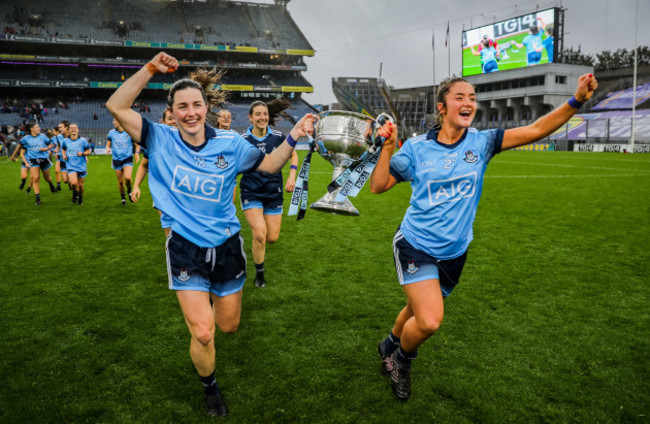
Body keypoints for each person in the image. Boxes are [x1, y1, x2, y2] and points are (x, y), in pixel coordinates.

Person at [106, 51, 316, 418]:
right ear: (172, 110)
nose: (191, 112)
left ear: (206, 106)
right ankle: (210, 387)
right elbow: (116, 105)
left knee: (228, 325)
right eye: (182, 106)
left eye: (197, 104)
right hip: (185, 247)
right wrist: (151, 69)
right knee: (203, 332)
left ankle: (211, 322)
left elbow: (267, 165)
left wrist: (294, 137)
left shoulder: (230, 144)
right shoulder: (159, 138)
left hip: (227, 245)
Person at [370, 73, 598, 401]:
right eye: (460, 97)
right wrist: (388, 149)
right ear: (442, 106)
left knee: (416, 308)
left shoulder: (483, 142)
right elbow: (378, 186)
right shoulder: (418, 150)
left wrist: (577, 100)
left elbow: (536, 129)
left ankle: (389, 344)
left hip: (455, 251)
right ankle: (401, 362)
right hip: (415, 244)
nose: (469, 103)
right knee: (430, 320)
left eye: (473, 98)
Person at [240, 99, 298, 288]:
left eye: (264, 114)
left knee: (271, 238)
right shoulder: (243, 140)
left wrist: (292, 175)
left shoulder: (278, 137)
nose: (262, 117)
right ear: (250, 117)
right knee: (259, 234)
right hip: (251, 191)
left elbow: (292, 153)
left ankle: (261, 242)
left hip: (274, 192)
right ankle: (259, 273)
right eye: (257, 114)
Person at [131, 109, 176, 237]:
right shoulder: (156, 143)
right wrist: (136, 186)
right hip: (163, 193)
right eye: (170, 119)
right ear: (163, 122)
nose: (174, 122)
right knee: (170, 233)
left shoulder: (190, 141)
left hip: (185, 192)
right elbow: (144, 165)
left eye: (176, 118)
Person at [17, 121, 56, 205]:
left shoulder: (43, 136)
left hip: (44, 159)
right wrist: (16, 155)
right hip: (33, 160)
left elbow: (51, 145)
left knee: (47, 177)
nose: (39, 128)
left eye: (38, 127)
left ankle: (50, 183)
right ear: (32, 129)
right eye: (37, 127)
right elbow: (21, 146)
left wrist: (45, 149)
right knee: (35, 178)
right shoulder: (26, 138)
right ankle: (38, 199)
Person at [107, 118, 140, 205]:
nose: (113, 122)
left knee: (128, 177)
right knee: (120, 182)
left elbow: (137, 144)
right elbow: (108, 144)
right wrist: (107, 148)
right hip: (116, 159)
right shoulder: (111, 132)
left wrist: (136, 153)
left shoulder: (129, 132)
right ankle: (123, 197)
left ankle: (129, 190)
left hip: (127, 158)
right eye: (113, 120)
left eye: (115, 120)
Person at [62, 123, 91, 205]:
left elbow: (88, 152)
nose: (73, 129)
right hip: (70, 165)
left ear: (78, 130)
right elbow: (63, 150)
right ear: (69, 130)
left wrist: (82, 153)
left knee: (81, 185)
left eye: (75, 128)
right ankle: (75, 193)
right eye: (71, 128)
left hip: (81, 165)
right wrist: (64, 155)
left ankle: (80, 198)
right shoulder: (65, 141)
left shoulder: (83, 141)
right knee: (74, 182)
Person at [55, 120, 72, 191]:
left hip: (72, 161)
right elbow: (59, 145)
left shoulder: (73, 136)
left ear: (66, 128)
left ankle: (75, 195)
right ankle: (70, 182)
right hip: (63, 160)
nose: (59, 129)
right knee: (65, 180)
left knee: (72, 179)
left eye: (61, 127)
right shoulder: (58, 136)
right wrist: (57, 151)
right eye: (59, 127)